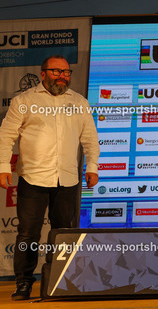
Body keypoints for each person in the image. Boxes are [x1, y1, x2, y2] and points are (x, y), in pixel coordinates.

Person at [0, 55, 99, 300]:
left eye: (66, 72)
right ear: (43, 73)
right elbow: (6, 135)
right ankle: (24, 283)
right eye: (56, 71)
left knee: (64, 233)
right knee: (28, 234)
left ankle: (62, 280)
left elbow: (89, 137)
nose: (62, 76)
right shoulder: (24, 100)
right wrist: (3, 167)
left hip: (67, 179)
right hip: (33, 178)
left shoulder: (79, 102)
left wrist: (92, 166)